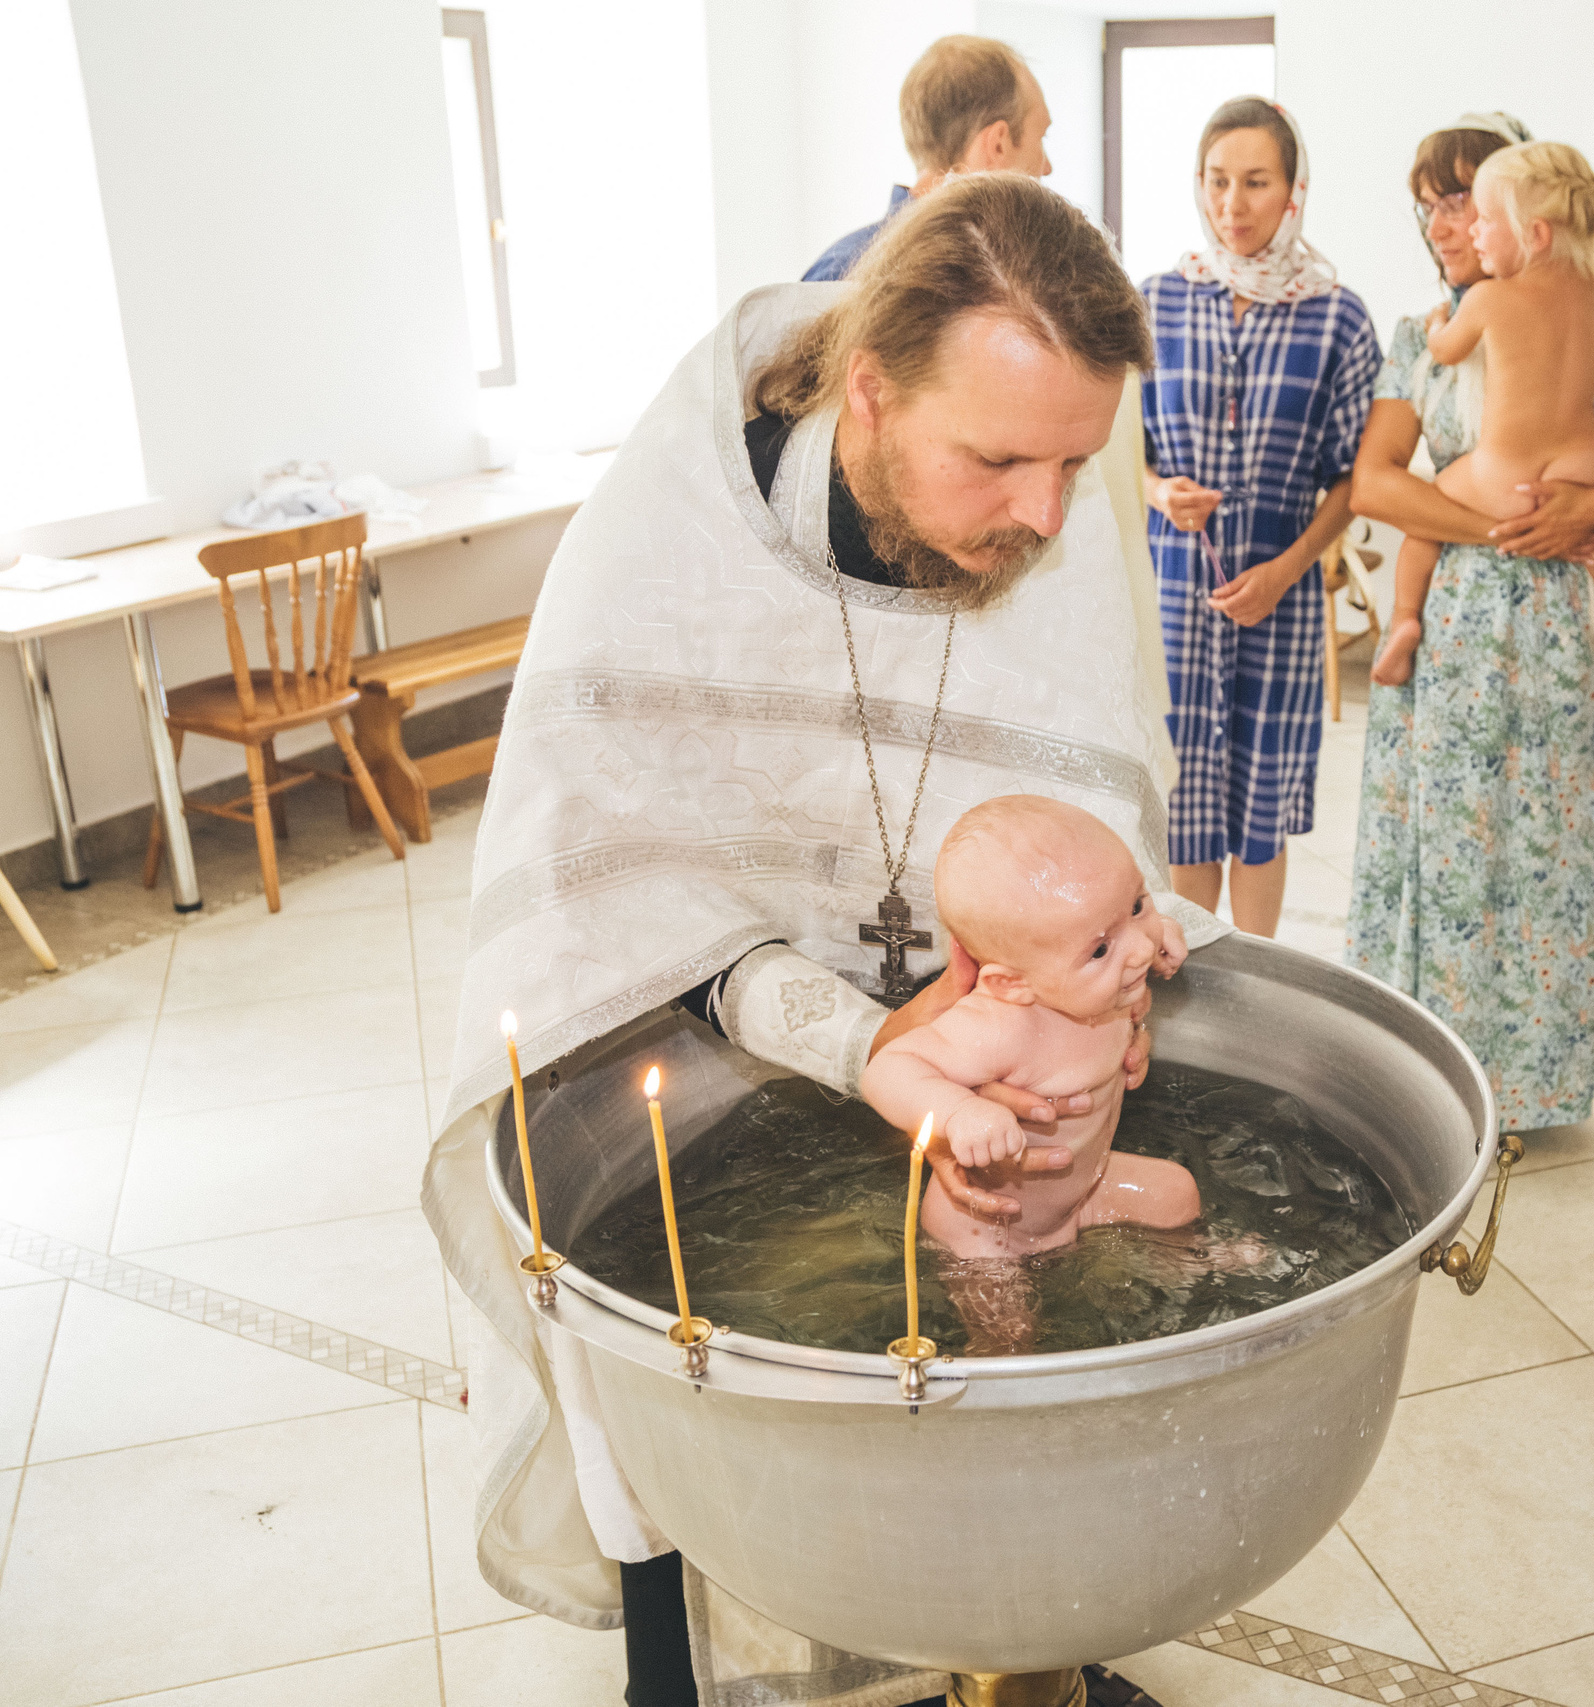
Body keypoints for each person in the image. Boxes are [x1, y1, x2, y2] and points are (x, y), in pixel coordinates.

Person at [420, 175, 1225, 1707]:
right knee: (711, 1451)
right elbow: (623, 895)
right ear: (869, 389)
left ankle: (1031, 1646)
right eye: (998, 459)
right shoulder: (674, 531)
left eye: (1079, 461)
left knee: (1021, 1381)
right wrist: (863, 1042)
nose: (1048, 518)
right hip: (696, 1049)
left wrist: (1116, 941)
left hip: (972, 1077)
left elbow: (1078, 811)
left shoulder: (1047, 505)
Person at [1346, 111, 1594, 1133]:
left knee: (1543, 852)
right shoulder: (1423, 337)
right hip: (1451, 623)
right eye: (1429, 204)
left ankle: (1531, 1091)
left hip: (1560, 628)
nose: (1446, 222)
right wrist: (1485, 525)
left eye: (1464, 197)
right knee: (1443, 853)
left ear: (1522, 216)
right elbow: (1373, 485)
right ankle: (1420, 1087)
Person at [1138, 97, 1379, 937]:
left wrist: (1291, 567)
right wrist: (1157, 490)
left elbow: (1356, 479)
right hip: (1174, 594)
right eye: (1216, 182)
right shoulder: (1158, 302)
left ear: (1292, 191)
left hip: (1279, 595)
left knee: (1260, 806)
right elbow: (1111, 448)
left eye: (1254, 183)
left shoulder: (1338, 318)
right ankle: (1188, 972)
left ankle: (1254, 976)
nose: (1232, 205)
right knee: (1187, 796)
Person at [1371, 140, 1594, 732]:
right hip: (1579, 472)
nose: (1470, 232)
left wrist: (1439, 324)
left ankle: (1405, 616)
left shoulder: (1486, 298)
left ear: (1533, 234)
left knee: (1421, 521)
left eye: (1480, 216)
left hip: (1497, 477)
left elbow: (1446, 349)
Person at [865, 796, 1200, 1261]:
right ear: (1011, 984)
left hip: (1084, 1190)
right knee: (1009, 1330)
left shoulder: (1106, 972)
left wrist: (1160, 927)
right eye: (1100, 950)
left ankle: (1191, 1264)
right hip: (990, 1226)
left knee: (1175, 1193)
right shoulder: (1005, 1025)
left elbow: (1122, 930)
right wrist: (959, 1112)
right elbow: (889, 1069)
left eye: (1138, 905)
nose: (1141, 950)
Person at [801, 35, 1052, 283]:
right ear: (998, 144)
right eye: (1041, 137)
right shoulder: (846, 280)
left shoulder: (844, 269)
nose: (1047, 167)